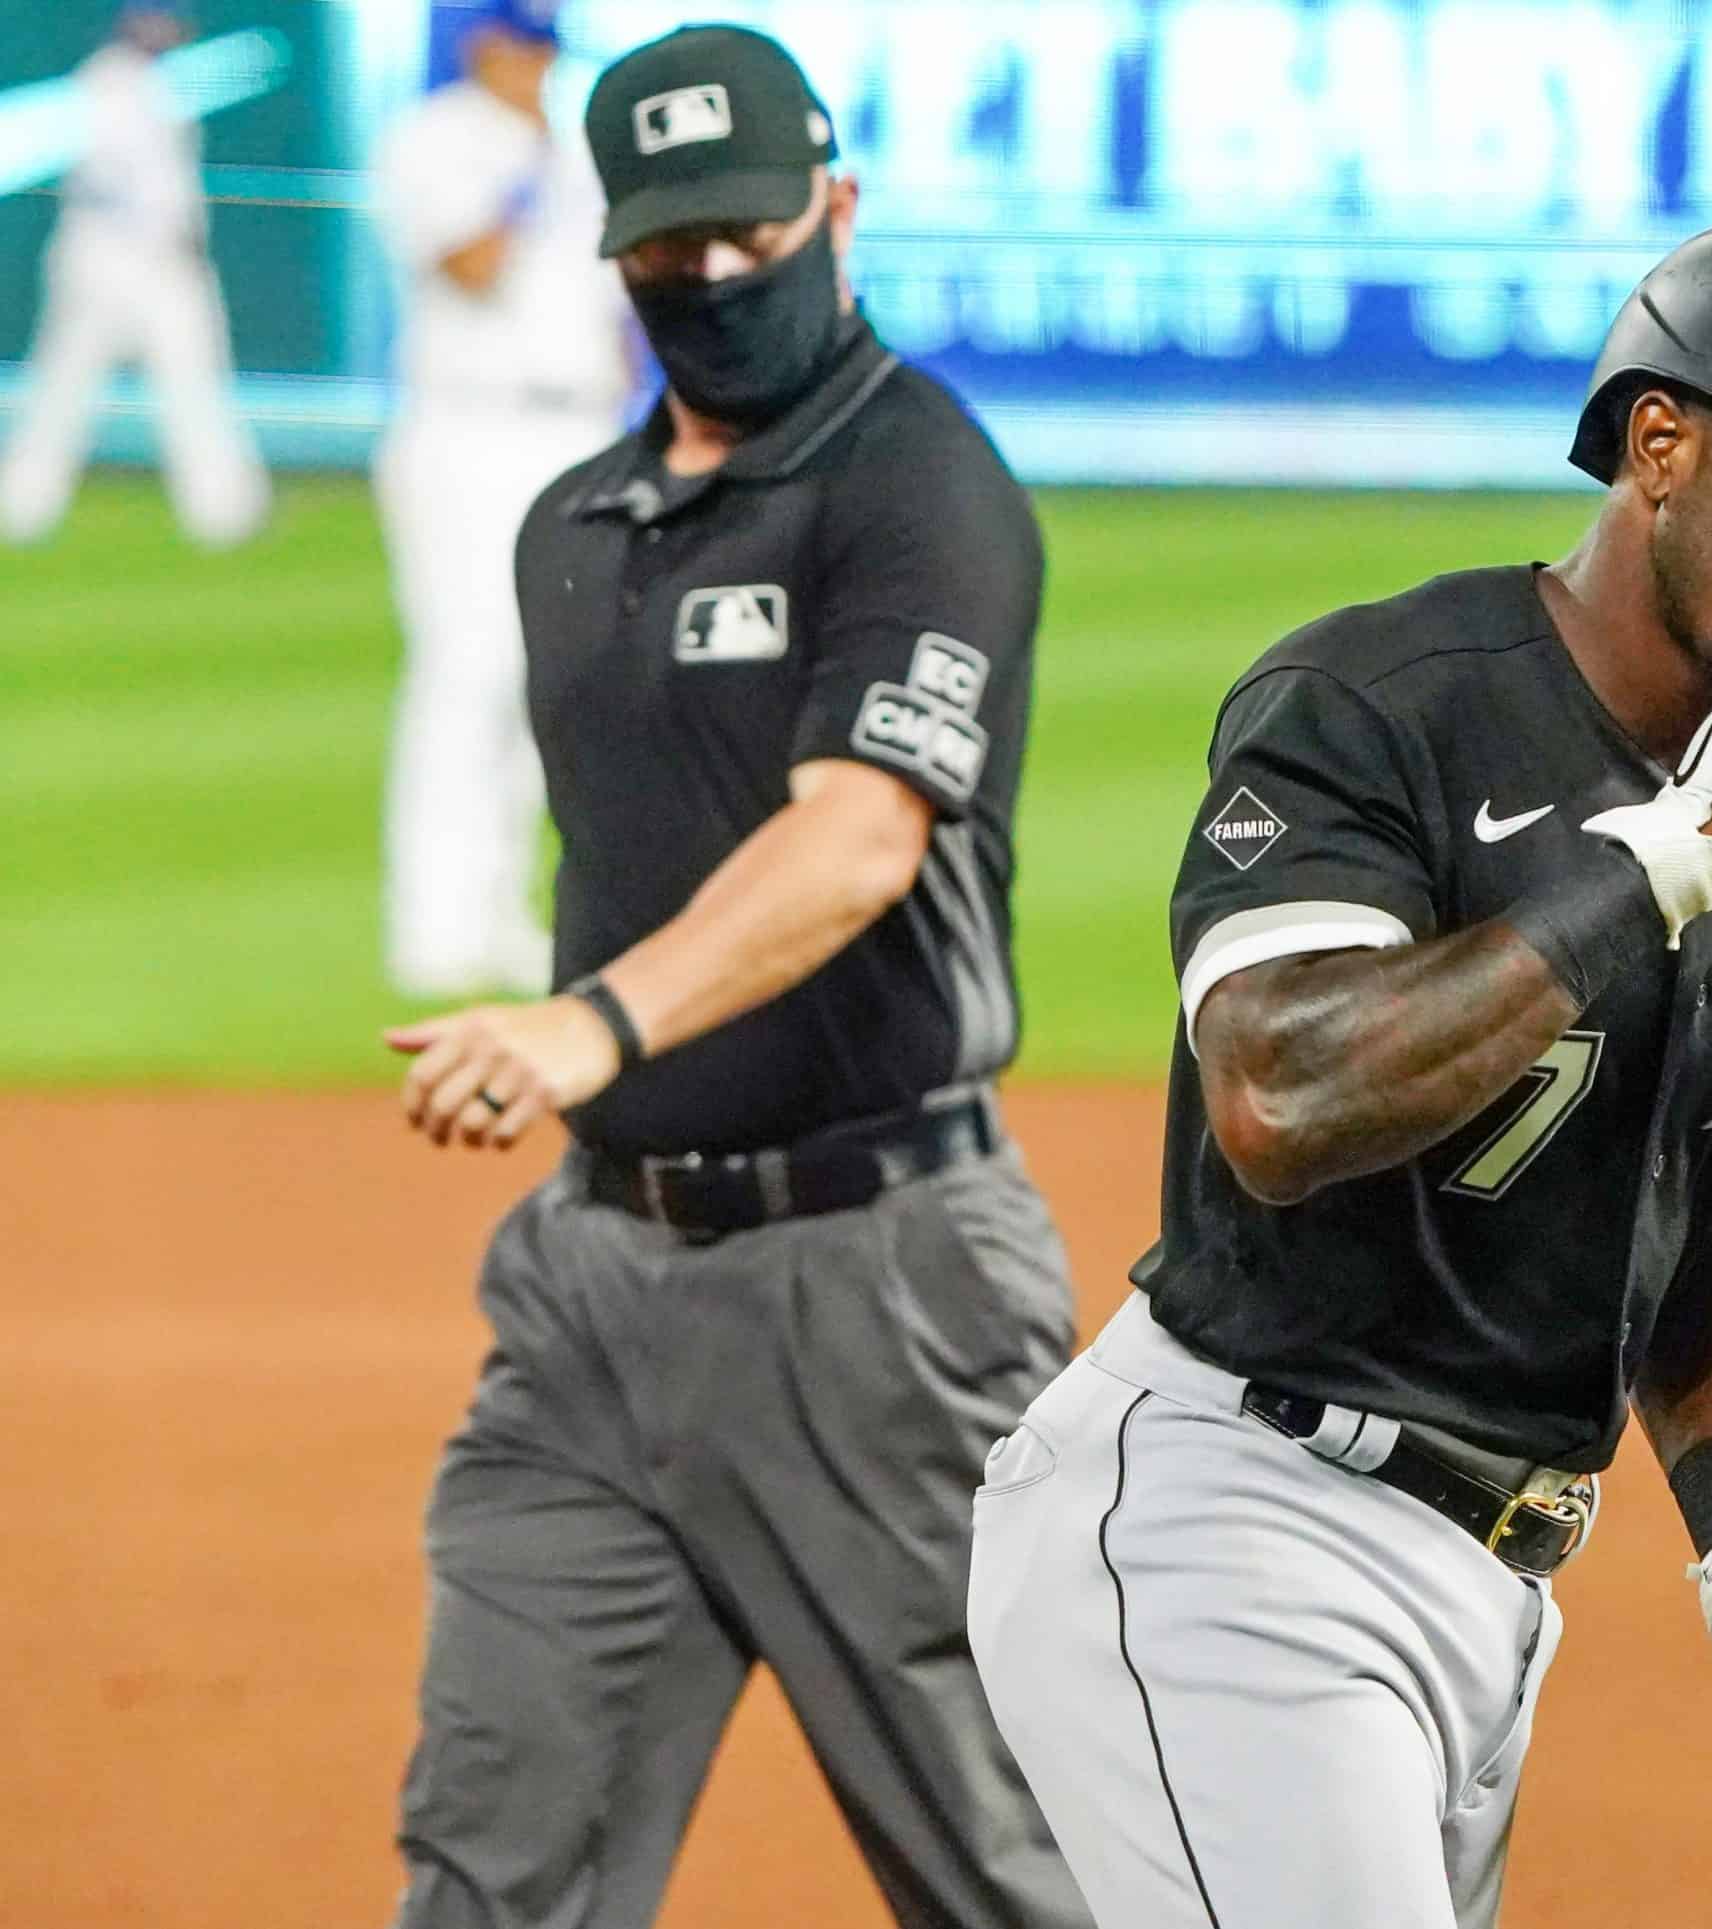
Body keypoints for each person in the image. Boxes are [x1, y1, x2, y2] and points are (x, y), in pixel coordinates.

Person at [969, 213, 1712, 1925]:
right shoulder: (1378, 701)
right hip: (1235, 1518)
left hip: (1495, 1588)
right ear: (1657, 445)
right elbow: (1279, 1100)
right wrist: (1670, 853)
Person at [376, 25, 1089, 1929]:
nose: (710, 279)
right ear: (613, 249)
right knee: (490, 1866)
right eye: (668, 248)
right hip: (592, 1294)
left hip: (884, 1299)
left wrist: (588, 1023)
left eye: (747, 237)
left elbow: (858, 837)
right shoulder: (569, 529)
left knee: (1028, 1873)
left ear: (835, 208)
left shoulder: (918, 484)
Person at [371, 0, 633, 998]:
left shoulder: (577, 145)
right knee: (464, 670)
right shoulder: (434, 138)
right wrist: (531, 170)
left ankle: (500, 913)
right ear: (479, 44)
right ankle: (429, 927)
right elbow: (468, 264)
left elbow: (613, 311)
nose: (535, 60)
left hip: (578, 430)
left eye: (545, 43)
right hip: (467, 430)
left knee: (553, 680)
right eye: (521, 41)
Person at [0, 2, 268, 549]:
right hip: (115, 253)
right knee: (66, 388)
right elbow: (122, 181)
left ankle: (224, 511)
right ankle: (23, 505)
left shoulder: (155, 82)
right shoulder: (112, 80)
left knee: (186, 386)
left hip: (141, 259)